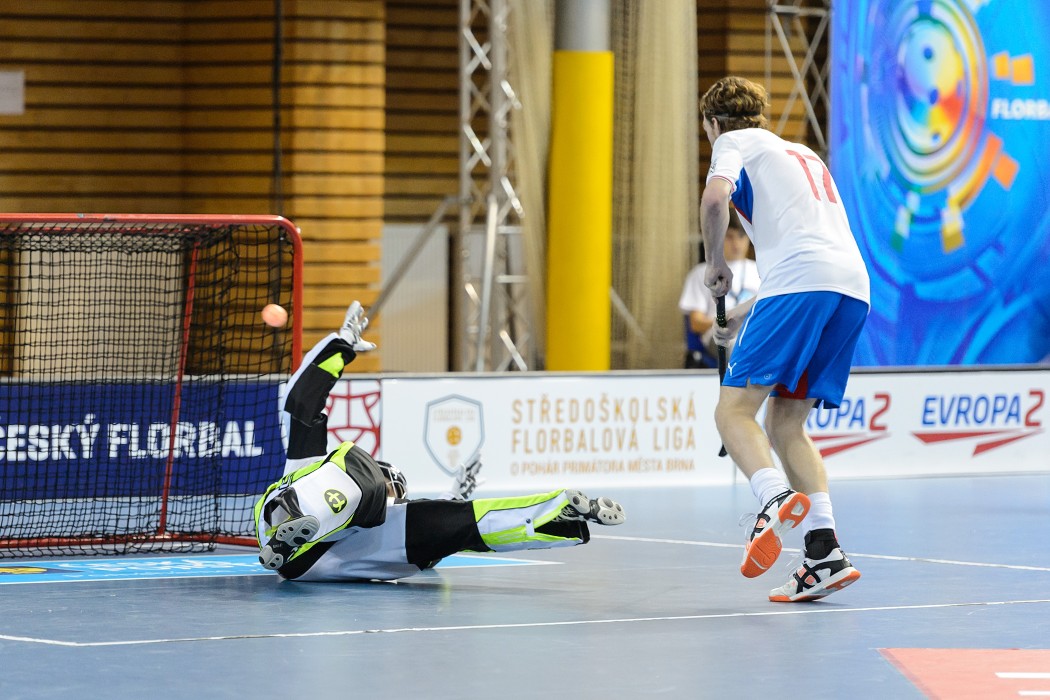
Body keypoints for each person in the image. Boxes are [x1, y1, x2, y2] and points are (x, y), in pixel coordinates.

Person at [254, 301, 626, 582]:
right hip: (283, 522)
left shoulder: (392, 520)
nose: (389, 490)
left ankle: (559, 512)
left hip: (320, 560)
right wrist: (341, 346)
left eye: (393, 488)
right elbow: (301, 404)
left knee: (456, 523)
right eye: (389, 482)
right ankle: (294, 526)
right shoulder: (311, 471)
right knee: (345, 461)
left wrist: (453, 509)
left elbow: (462, 528)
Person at [698, 76, 870, 602]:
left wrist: (715, 263)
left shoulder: (733, 142)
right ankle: (824, 552)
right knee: (787, 421)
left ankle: (772, 499)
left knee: (733, 414)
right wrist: (744, 310)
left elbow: (713, 201)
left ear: (712, 123)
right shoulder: (803, 153)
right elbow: (808, 258)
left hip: (801, 285)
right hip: (852, 290)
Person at [678, 216, 760, 368]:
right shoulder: (701, 273)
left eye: (741, 236)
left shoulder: (761, 270)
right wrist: (728, 321)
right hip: (720, 337)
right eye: (729, 237)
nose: (736, 244)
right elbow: (696, 323)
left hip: (756, 333)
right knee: (737, 344)